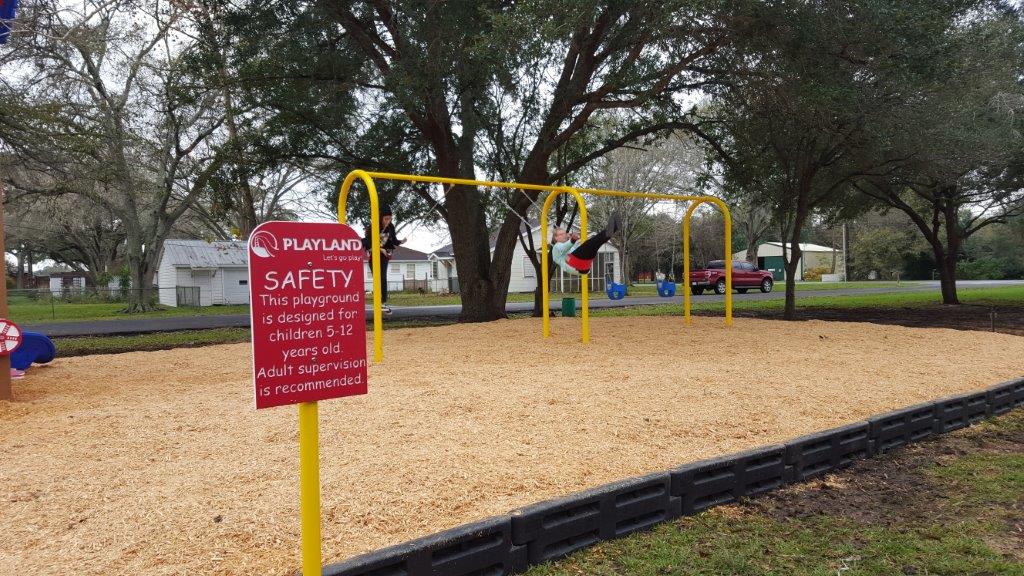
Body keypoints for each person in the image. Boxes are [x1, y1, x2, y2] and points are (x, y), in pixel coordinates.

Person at [362, 204, 405, 315]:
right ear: (381, 218)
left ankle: (383, 302)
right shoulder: (372, 227)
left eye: (390, 218)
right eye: (386, 219)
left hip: (385, 255)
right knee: (378, 278)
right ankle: (378, 302)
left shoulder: (391, 227)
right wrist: (380, 249)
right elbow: (367, 243)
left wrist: (401, 241)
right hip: (374, 255)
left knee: (383, 277)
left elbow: (394, 241)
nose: (388, 221)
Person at [550, 212, 622, 275]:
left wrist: (574, 241)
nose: (564, 235)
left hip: (584, 267)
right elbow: (563, 248)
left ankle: (614, 227)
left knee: (596, 242)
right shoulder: (556, 247)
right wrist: (572, 240)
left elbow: (577, 249)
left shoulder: (570, 246)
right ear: (555, 238)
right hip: (573, 264)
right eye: (561, 234)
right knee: (591, 243)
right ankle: (613, 227)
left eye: (565, 233)